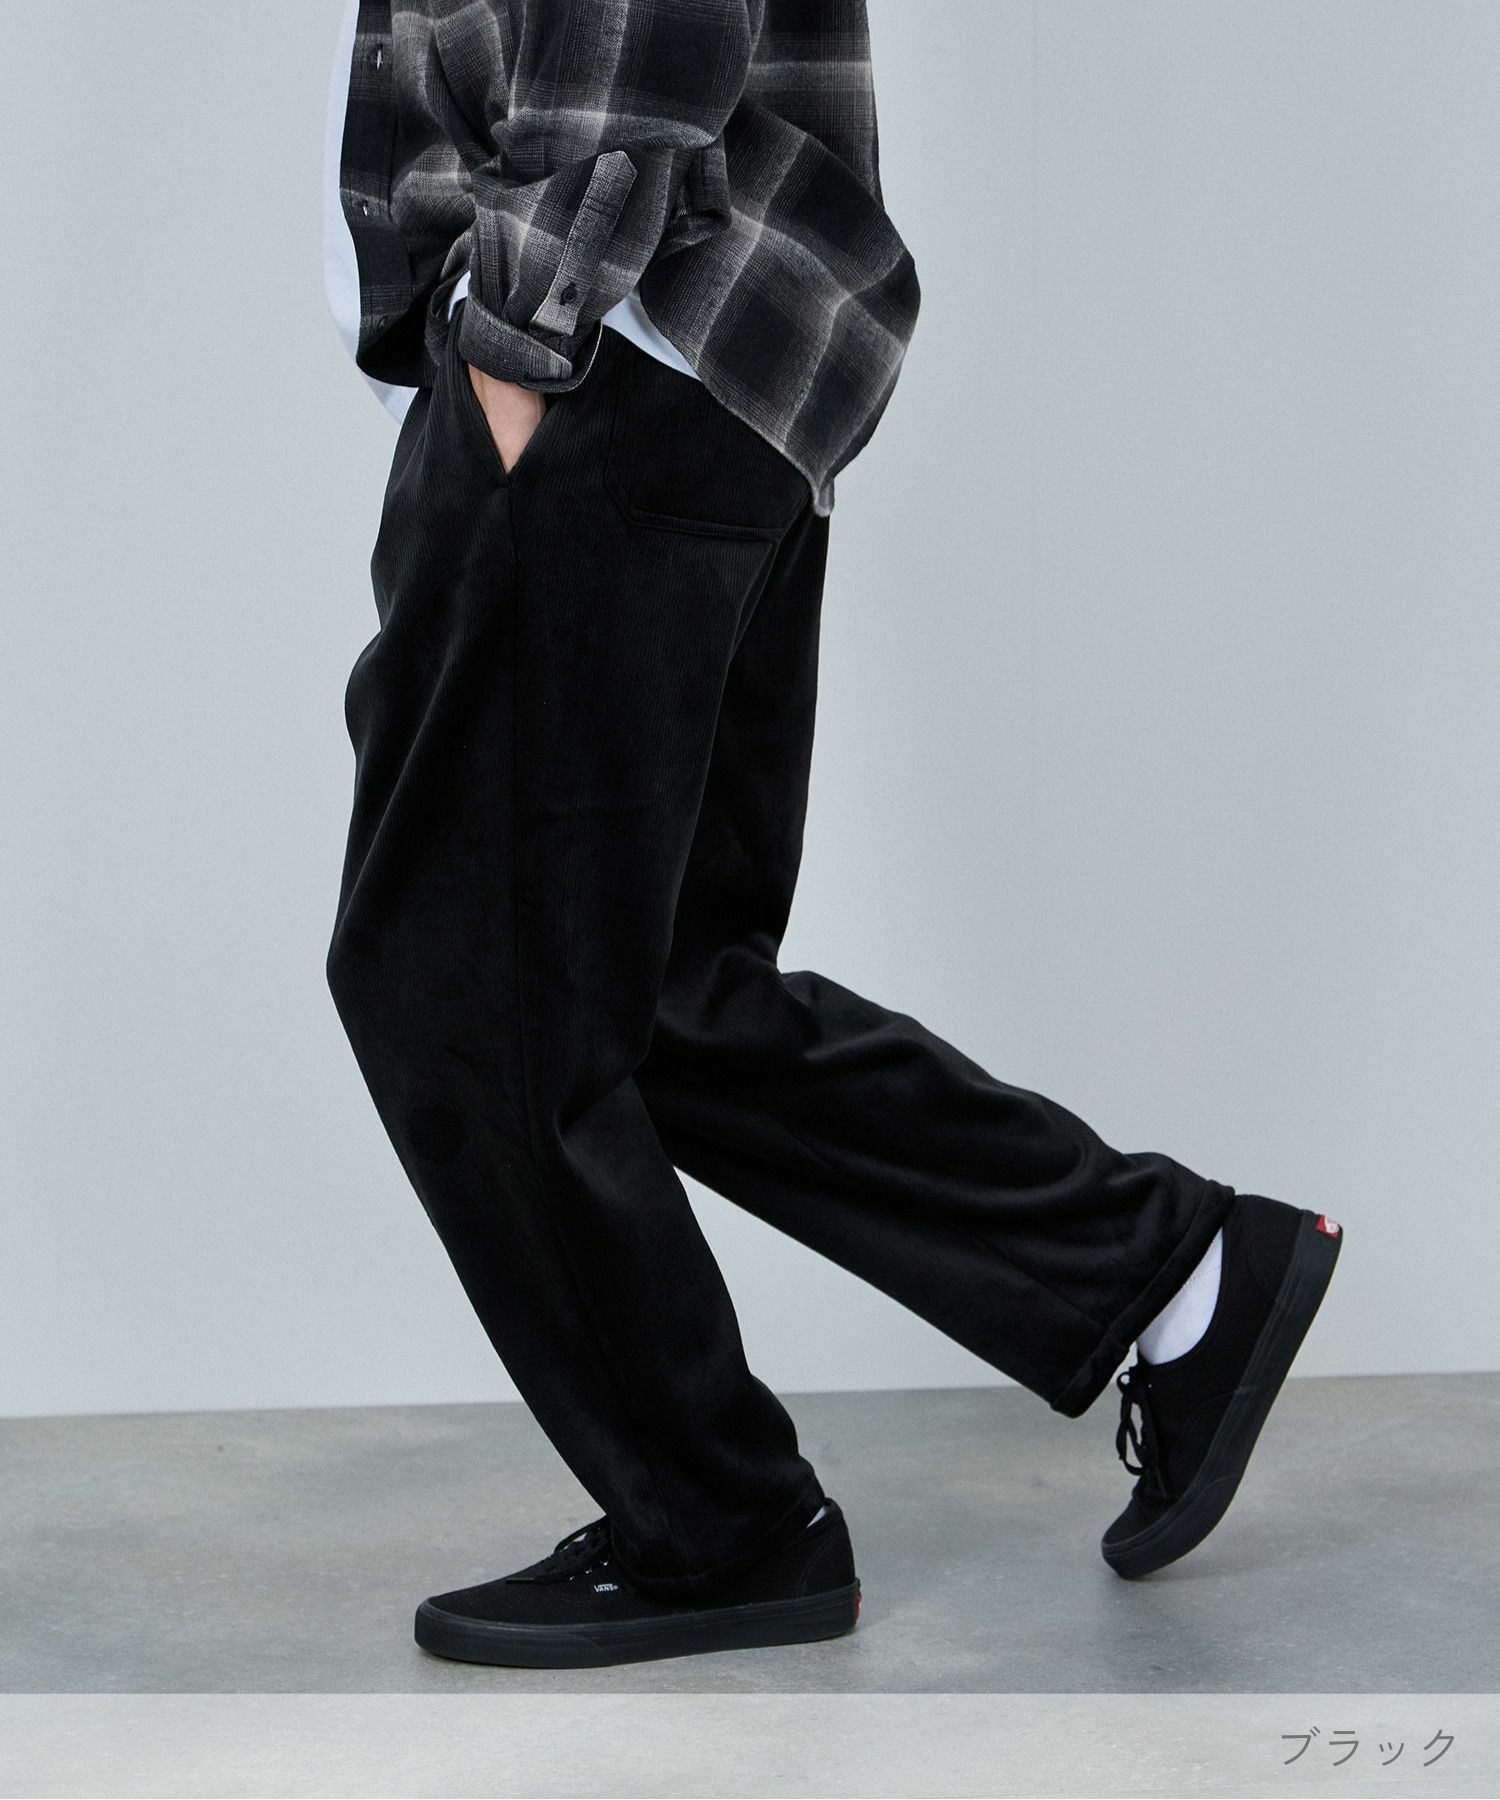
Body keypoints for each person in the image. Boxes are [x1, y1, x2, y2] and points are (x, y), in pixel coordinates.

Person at [322, 0, 1342, 1672]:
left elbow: (627, 43)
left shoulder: (554, 350)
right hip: (702, 368)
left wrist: (510, 349)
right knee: (656, 992)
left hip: (605, 357)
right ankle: (1173, 1273)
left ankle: (716, 1525)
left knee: (459, 987)